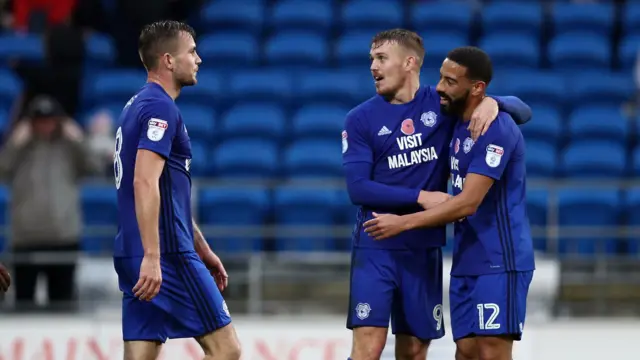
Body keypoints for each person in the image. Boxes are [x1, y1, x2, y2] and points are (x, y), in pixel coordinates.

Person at [342, 29, 532, 360]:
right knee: (369, 346)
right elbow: (358, 188)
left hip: (424, 249)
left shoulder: (443, 106)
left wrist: (495, 102)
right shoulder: (360, 118)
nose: (372, 66)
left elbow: (521, 110)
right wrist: (421, 197)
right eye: (371, 58)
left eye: (381, 58)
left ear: (409, 62)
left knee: (416, 349)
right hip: (377, 245)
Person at [112, 20, 241, 360]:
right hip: (165, 254)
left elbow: (168, 193)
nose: (198, 59)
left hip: (133, 250)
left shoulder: (134, 106)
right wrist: (155, 257)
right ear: (169, 60)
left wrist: (202, 246)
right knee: (227, 350)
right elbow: (144, 181)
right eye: (192, 52)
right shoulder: (160, 108)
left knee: (141, 355)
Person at [0, 95, 102, 311]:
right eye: (39, 120)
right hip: (25, 238)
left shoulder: (69, 147)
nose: (44, 124)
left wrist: (78, 139)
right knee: (23, 307)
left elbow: (95, 168)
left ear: (59, 121)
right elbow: (1, 171)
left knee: (63, 306)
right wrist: (14, 144)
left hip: (63, 236)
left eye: (49, 119)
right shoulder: (20, 147)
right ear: (30, 122)